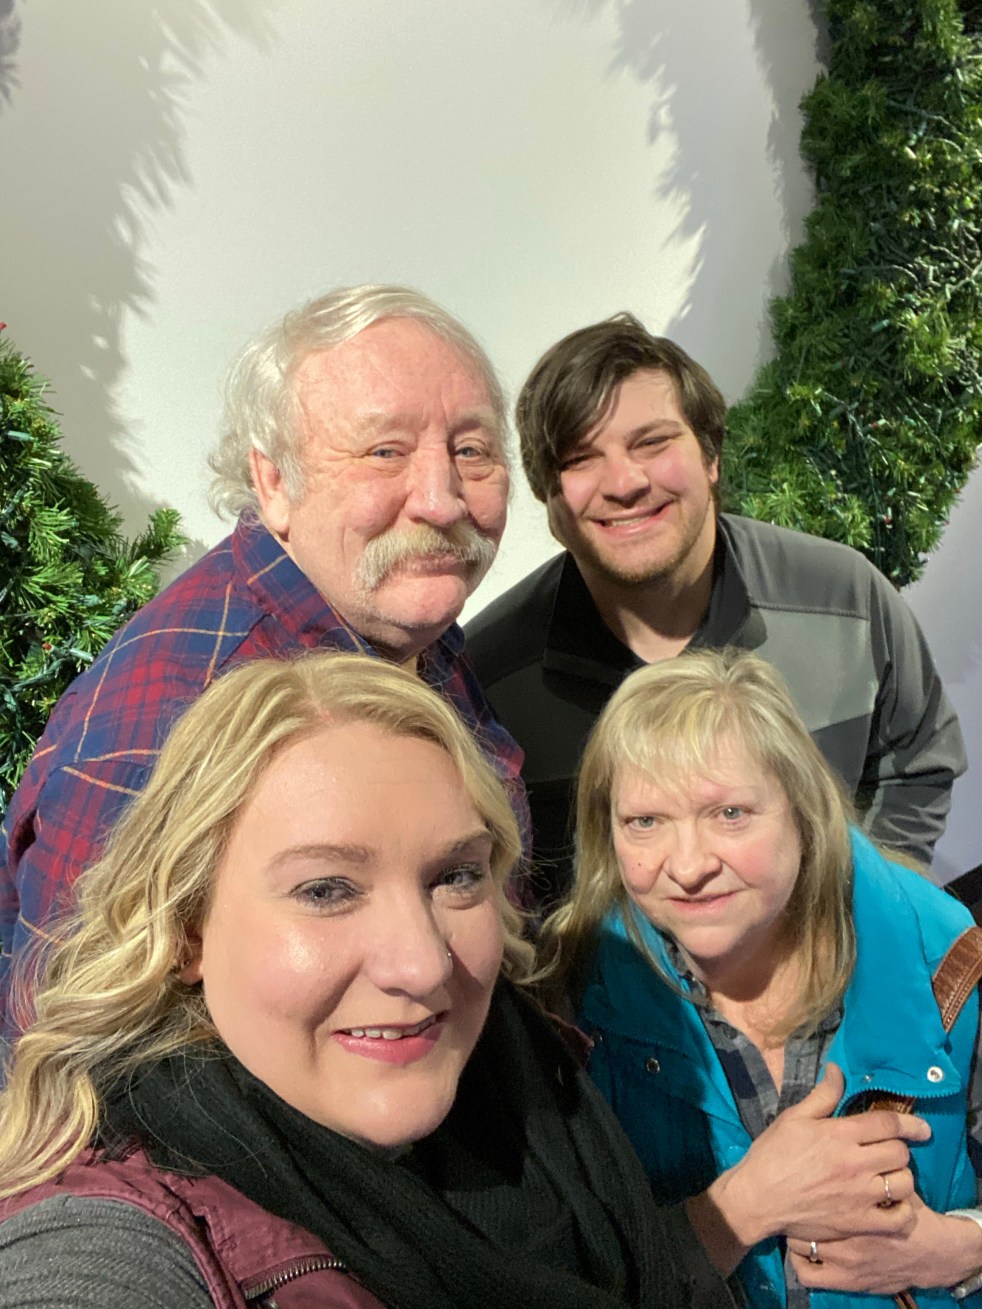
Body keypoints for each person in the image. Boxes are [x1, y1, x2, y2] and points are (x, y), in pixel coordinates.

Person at [0, 652, 730, 1309]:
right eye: (325, 890)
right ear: (188, 931)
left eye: (456, 875)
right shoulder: (116, 1240)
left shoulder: (538, 1088)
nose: (421, 963)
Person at [0, 283, 529, 1040]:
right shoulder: (168, 719)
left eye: (471, 451)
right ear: (274, 482)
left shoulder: (399, 621)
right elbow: (67, 1055)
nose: (441, 500)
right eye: (385, 452)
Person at [465, 313, 965, 907]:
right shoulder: (487, 678)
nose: (623, 482)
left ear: (711, 457)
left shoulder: (845, 599)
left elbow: (916, 761)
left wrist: (862, 909)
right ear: (548, 497)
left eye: (652, 443)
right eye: (579, 457)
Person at [539, 647, 982, 1307]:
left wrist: (959, 1248)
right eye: (645, 821)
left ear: (802, 810)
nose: (688, 866)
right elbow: (559, 1277)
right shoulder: (571, 997)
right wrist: (744, 1206)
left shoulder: (947, 960)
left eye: (729, 814)